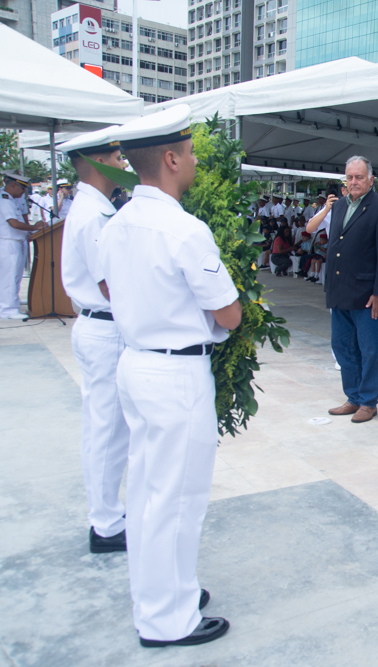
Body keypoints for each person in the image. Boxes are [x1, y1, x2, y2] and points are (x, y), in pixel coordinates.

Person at [98, 104, 240, 647]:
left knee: (152, 492)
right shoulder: (182, 228)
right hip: (174, 373)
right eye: (191, 151)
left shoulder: (117, 225)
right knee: (175, 499)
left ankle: (170, 593)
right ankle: (165, 619)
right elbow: (228, 313)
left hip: (136, 361)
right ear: (171, 158)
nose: (197, 160)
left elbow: (111, 292)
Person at [56, 128, 131, 555]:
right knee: (106, 431)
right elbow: (111, 288)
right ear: (98, 162)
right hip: (104, 327)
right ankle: (104, 524)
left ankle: (107, 514)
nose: (122, 165)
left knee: (106, 428)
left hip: (100, 327)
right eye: (118, 159)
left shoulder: (95, 208)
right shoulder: (92, 215)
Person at [305, 156, 378, 423]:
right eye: (349, 177)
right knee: (342, 346)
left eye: (359, 177)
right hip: (340, 290)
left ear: (371, 179)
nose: (354, 182)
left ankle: (368, 401)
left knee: (369, 349)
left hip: (367, 294)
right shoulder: (339, 206)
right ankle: (354, 397)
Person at [0, 172, 42, 319]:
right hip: (8, 243)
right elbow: (14, 223)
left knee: (15, 277)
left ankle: (12, 303)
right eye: (23, 188)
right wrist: (34, 227)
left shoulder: (11, 199)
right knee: (9, 277)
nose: (24, 192)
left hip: (15, 242)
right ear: (13, 185)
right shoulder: (4, 199)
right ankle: (8, 310)